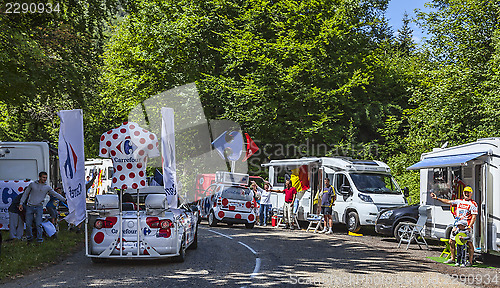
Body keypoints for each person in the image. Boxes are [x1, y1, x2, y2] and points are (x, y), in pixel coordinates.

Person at [430, 186, 477, 266]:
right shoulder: (459, 201)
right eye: (465, 192)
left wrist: (470, 226)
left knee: (469, 243)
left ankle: (470, 261)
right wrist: (437, 198)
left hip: (466, 227)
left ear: (471, 194)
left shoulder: (473, 204)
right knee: (451, 241)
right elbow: (448, 202)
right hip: (457, 226)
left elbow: (474, 217)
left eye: (468, 193)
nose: (466, 194)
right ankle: (452, 258)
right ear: (463, 193)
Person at [19, 172, 66, 243]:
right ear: (39, 177)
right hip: (30, 206)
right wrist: (21, 203)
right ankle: (30, 239)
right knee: (28, 224)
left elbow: (56, 194)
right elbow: (25, 194)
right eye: (43, 177)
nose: (45, 179)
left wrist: (65, 200)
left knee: (39, 224)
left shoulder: (47, 187)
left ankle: (39, 240)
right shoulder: (32, 184)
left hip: (39, 207)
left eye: (46, 178)